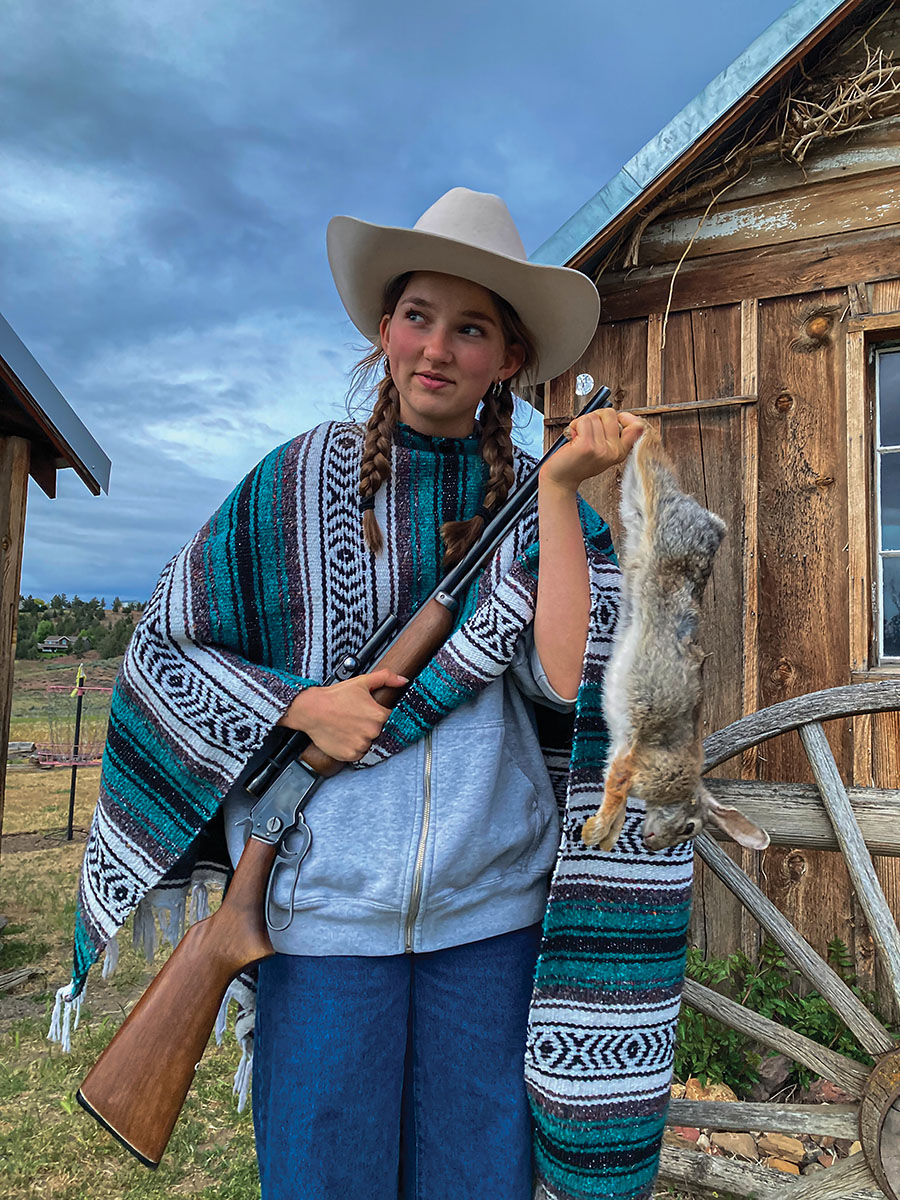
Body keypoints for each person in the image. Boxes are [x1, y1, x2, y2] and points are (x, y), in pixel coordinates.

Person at [61, 187, 664, 1200]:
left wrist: (561, 492)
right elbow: (166, 647)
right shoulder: (295, 481)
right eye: (418, 316)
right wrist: (302, 708)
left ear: (509, 358)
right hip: (321, 924)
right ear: (385, 329)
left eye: (471, 329)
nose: (437, 348)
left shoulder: (531, 498)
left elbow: (573, 681)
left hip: (490, 925)